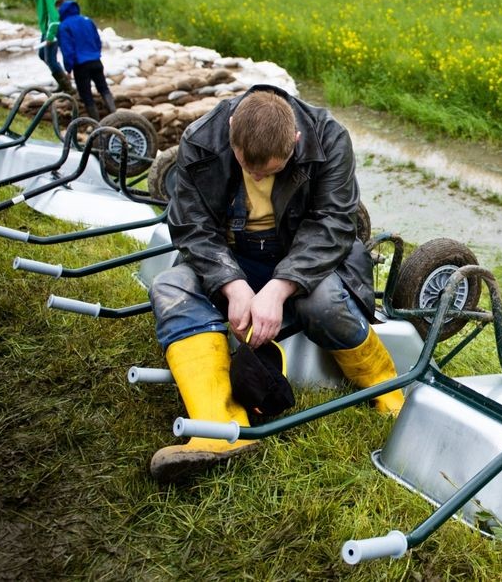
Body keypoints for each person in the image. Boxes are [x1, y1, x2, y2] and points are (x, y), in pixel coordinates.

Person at [147, 85, 403, 483]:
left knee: (324, 305)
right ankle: (219, 428)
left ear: (296, 143)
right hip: (232, 255)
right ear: (232, 128)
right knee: (170, 288)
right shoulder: (199, 139)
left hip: (304, 255)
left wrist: (280, 286)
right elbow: (190, 226)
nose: (257, 177)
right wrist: (232, 284)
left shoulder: (329, 138)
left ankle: (387, 388)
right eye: (248, 168)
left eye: (269, 171)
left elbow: (334, 223)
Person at [56, 0, 115, 121]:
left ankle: (96, 125)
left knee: (86, 95)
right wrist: (95, 54)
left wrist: (68, 68)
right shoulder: (87, 20)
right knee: (104, 88)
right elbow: (97, 40)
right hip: (96, 62)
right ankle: (115, 116)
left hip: (81, 65)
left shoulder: (64, 26)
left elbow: (67, 50)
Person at [21, 0, 73, 94]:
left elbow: (53, 15)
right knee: (43, 55)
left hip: (52, 29)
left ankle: (68, 88)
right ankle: (63, 80)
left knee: (50, 59)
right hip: (46, 29)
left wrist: (50, 35)